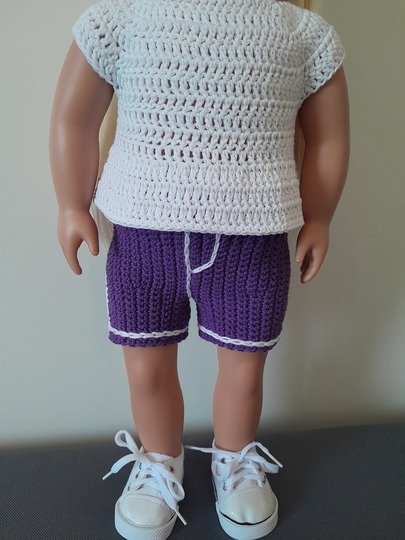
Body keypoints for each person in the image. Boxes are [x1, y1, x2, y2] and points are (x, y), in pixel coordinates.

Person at [49, 0, 350, 538]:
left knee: (244, 373)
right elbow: (74, 119)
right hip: (143, 233)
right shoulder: (122, 20)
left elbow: (328, 138)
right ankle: (158, 461)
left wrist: (320, 215)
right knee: (145, 371)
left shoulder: (304, 35)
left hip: (251, 237)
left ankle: (234, 460)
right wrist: (71, 203)